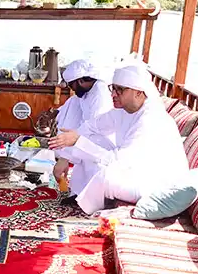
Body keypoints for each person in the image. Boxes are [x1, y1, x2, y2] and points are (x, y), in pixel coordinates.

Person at [48, 63, 187, 214]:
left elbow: (117, 161)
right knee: (91, 139)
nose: (113, 94)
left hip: (154, 182)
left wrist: (78, 142)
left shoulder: (150, 119)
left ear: (138, 93)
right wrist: (66, 154)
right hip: (132, 168)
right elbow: (91, 127)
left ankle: (89, 209)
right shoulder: (123, 110)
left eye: (119, 90)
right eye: (112, 88)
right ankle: (79, 194)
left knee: (104, 175)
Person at [52, 58, 114, 186]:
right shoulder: (86, 92)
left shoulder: (100, 95)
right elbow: (72, 110)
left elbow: (94, 130)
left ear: (80, 80)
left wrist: (65, 156)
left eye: (71, 85)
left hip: (100, 146)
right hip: (87, 141)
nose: (71, 89)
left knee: (91, 176)